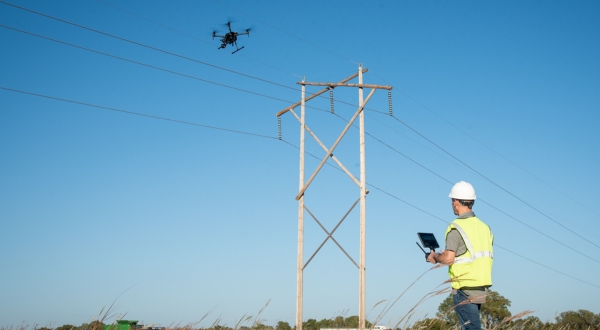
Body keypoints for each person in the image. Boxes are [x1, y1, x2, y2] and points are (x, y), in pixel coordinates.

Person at [427, 181, 494, 330]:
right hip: (481, 288)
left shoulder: (455, 227)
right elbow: (470, 253)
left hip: (464, 288)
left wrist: (436, 257)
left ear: (455, 201)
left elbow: (449, 259)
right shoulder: (485, 228)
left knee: (472, 328)